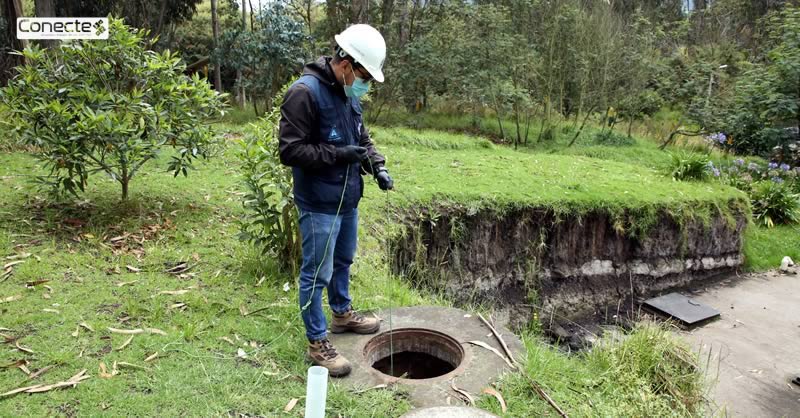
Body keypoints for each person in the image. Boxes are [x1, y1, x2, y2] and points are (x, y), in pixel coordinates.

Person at [278, 24, 394, 377]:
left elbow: (363, 137)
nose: (366, 85)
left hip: (347, 201)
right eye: (364, 77)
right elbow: (290, 150)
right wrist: (338, 154)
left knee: (343, 259)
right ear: (346, 64)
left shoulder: (349, 95)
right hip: (318, 204)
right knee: (317, 273)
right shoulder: (304, 93)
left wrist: (377, 166)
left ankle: (342, 314)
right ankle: (318, 341)